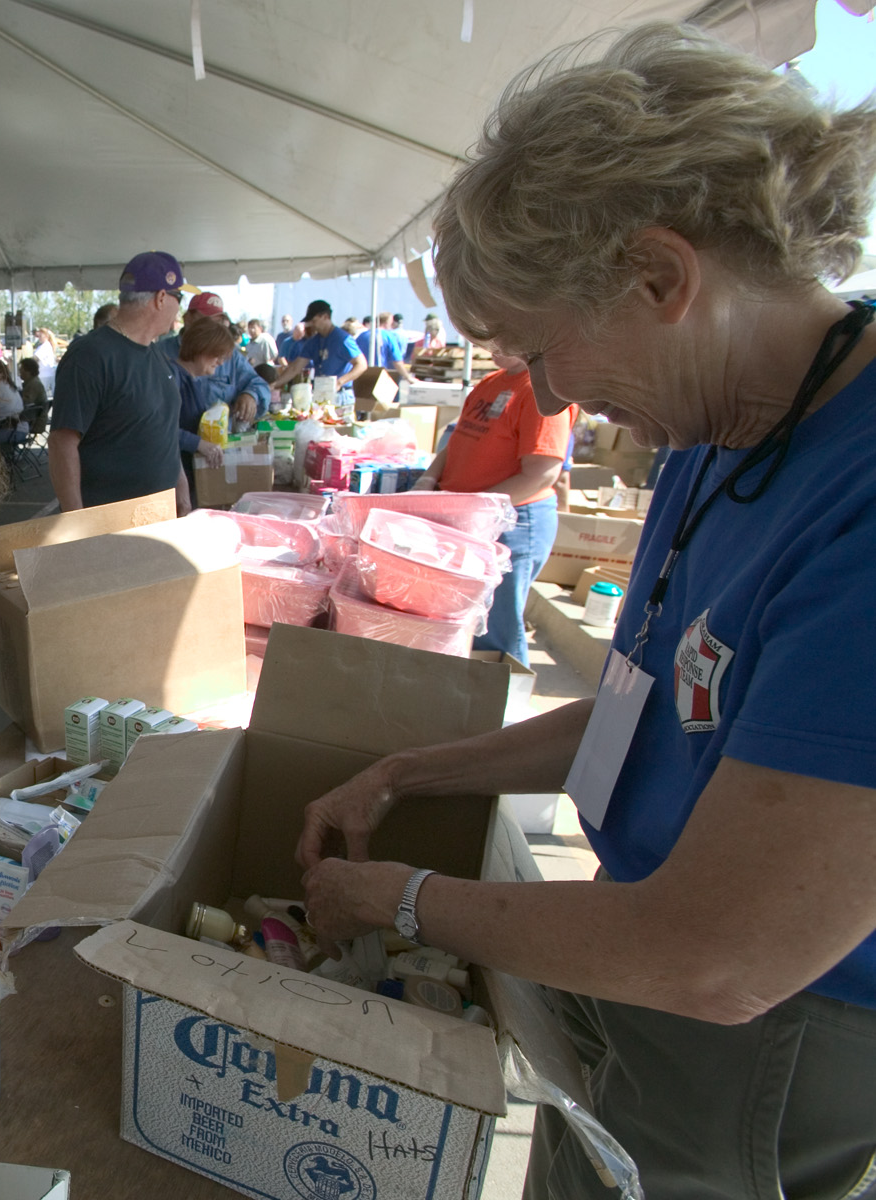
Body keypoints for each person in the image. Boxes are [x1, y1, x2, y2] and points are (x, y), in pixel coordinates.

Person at [295, 25, 876, 1200]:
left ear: (663, 279)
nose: (549, 394)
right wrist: (417, 771)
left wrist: (407, 901)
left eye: (541, 348)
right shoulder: (720, 428)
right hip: (638, 948)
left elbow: (726, 959)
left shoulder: (856, 497)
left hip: (766, 1036)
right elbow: (641, 706)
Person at [412, 356, 573, 664]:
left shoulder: (542, 389)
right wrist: (428, 479)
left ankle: (503, 707)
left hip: (510, 523)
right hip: (467, 518)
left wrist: (472, 509)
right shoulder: (491, 382)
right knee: (460, 620)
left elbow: (541, 472)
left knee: (498, 631)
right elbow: (457, 442)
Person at [48, 251, 188, 513]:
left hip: (158, 517)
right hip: (109, 524)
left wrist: (181, 486)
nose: (180, 308)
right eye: (179, 298)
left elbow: (164, 430)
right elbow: (62, 442)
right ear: (160, 298)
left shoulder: (155, 353)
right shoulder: (89, 356)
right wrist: (76, 521)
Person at [164, 314, 235, 495]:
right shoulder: (173, 376)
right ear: (202, 348)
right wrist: (198, 443)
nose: (219, 362)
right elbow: (160, 426)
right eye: (217, 355)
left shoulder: (191, 379)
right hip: (173, 478)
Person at [182, 293, 271, 427]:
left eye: (218, 322)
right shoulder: (163, 353)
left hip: (219, 441)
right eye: (207, 321)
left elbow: (259, 385)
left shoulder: (232, 356)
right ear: (188, 318)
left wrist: (250, 395)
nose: (214, 327)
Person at [270, 300, 368, 406]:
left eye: (314, 320)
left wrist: (340, 382)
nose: (311, 324)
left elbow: (361, 365)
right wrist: (275, 384)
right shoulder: (313, 342)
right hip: (320, 393)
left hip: (341, 395)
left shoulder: (342, 339)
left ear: (325, 317)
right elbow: (295, 367)